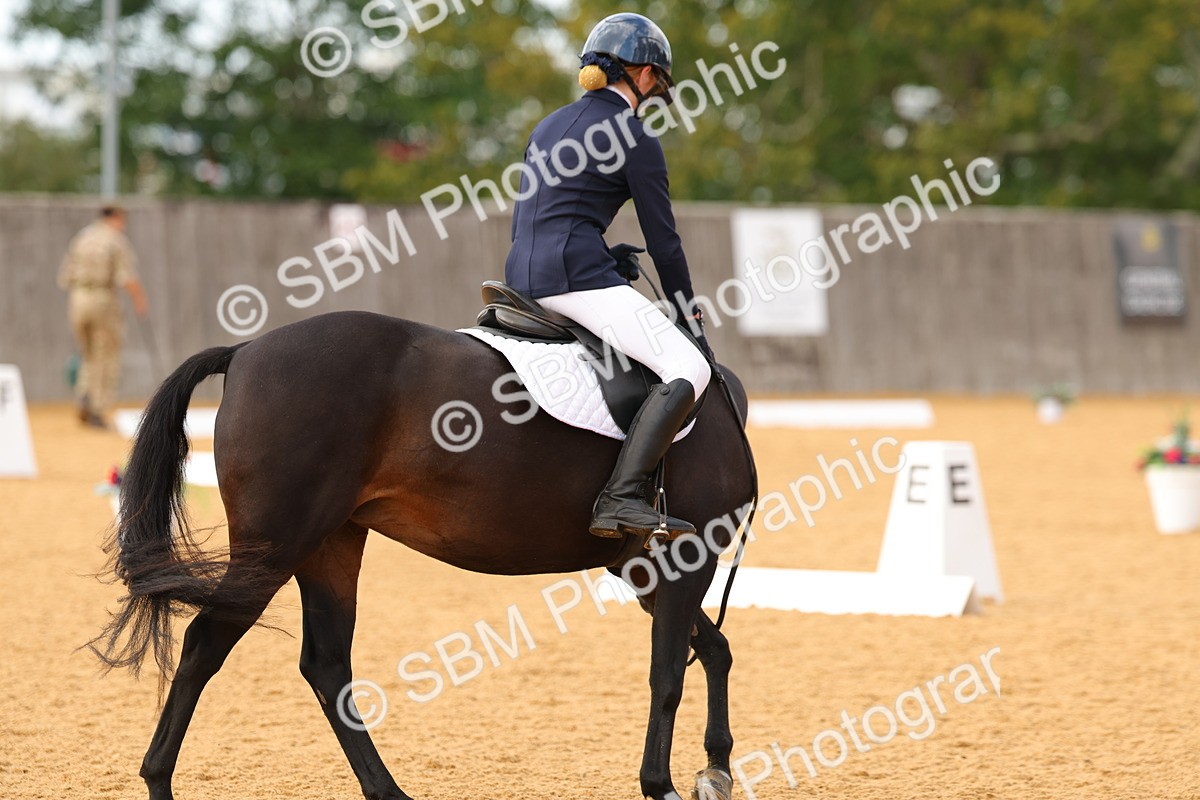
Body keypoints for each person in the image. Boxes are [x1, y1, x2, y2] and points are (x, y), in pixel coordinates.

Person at [504, 13, 712, 540]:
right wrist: (687, 311)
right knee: (690, 367)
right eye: (655, 85)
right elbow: (664, 242)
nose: (654, 95)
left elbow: (539, 214)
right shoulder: (636, 136)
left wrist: (601, 251)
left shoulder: (548, 125)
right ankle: (621, 498)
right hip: (573, 280)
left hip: (519, 274)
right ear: (643, 75)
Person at [57, 205, 148, 428]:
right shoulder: (115, 240)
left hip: (78, 298)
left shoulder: (82, 238)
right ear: (116, 218)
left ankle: (84, 395)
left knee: (88, 353)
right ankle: (97, 407)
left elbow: (64, 276)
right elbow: (126, 277)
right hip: (102, 298)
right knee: (106, 354)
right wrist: (139, 299)